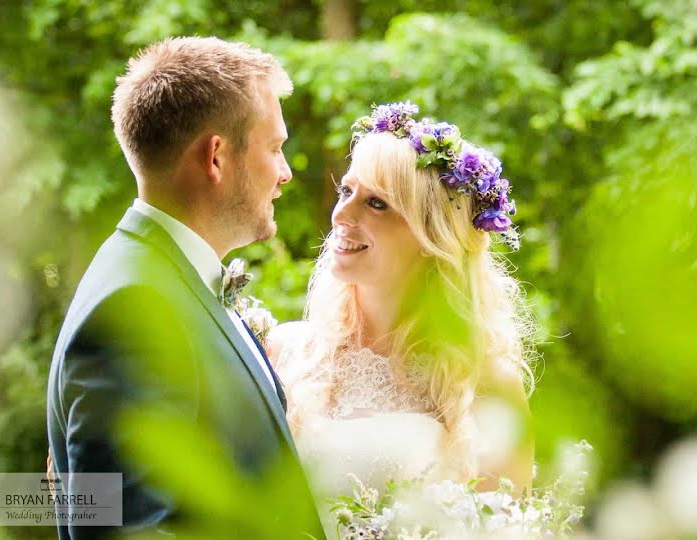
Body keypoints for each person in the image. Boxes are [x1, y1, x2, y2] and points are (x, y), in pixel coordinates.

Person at [45, 36, 323, 538]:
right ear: (216, 156)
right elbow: (123, 530)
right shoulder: (134, 307)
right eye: (276, 148)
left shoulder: (172, 277)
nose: (284, 173)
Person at [267, 102, 535, 537]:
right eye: (345, 192)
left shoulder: (485, 383)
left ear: (432, 238)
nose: (342, 215)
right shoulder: (285, 352)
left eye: (376, 203)